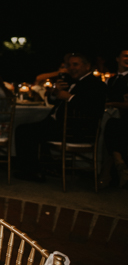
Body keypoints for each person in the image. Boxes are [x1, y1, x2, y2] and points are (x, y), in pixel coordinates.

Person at [14, 53, 107, 182]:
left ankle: (31, 171)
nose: (71, 68)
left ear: (87, 66)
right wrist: (55, 92)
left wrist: (69, 97)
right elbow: (54, 101)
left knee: (25, 131)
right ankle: (41, 167)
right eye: (69, 65)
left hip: (75, 129)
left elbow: (91, 107)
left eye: (76, 64)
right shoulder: (69, 81)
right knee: (25, 128)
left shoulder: (96, 85)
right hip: (57, 124)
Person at [99, 49, 128, 188]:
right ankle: (116, 166)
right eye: (126, 56)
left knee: (111, 126)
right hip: (113, 117)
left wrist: (110, 104)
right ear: (117, 59)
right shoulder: (111, 80)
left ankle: (107, 172)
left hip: (124, 118)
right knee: (108, 125)